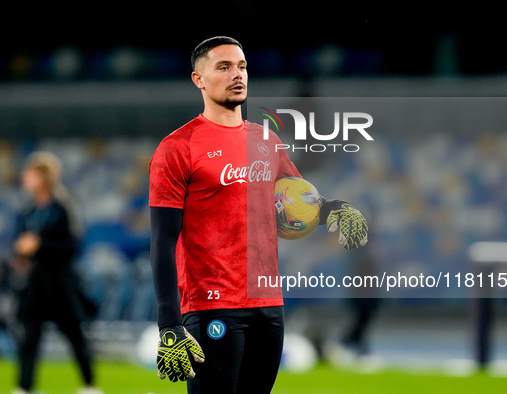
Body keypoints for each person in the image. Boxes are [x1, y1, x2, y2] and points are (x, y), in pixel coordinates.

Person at [149, 36, 368, 394]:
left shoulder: (266, 141)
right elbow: (162, 242)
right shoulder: (177, 148)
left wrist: (334, 208)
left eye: (242, 66)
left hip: (268, 306)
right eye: (223, 67)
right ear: (198, 79)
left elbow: (298, 202)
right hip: (211, 307)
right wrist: (169, 324)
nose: (237, 74)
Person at [11, 151, 101, 394]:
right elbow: (19, 241)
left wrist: (40, 245)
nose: (25, 178)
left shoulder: (62, 206)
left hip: (60, 282)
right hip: (35, 283)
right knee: (29, 336)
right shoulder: (29, 210)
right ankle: (24, 387)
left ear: (44, 177)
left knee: (74, 334)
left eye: (30, 173)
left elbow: (73, 245)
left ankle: (89, 385)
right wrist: (20, 251)